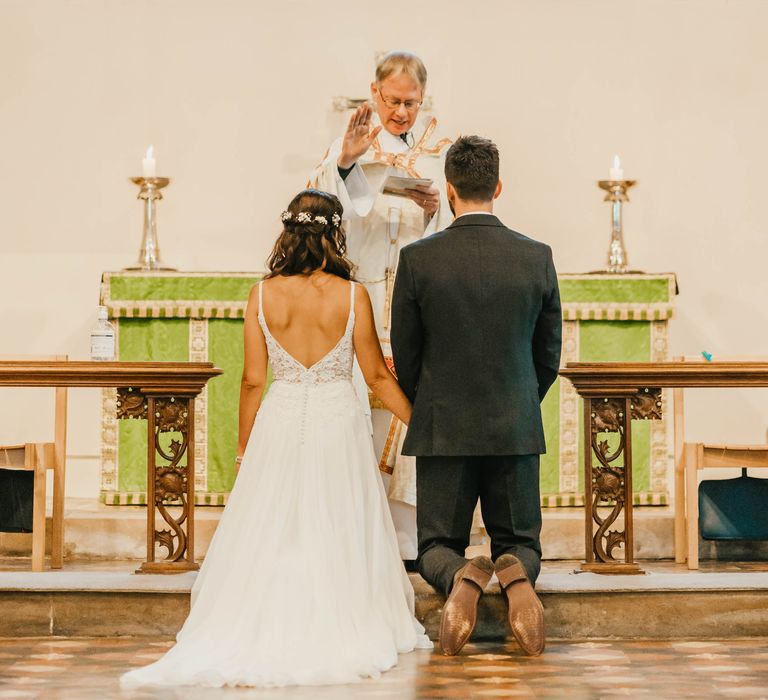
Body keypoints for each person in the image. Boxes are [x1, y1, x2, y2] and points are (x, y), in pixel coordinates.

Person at [121, 189, 430, 689]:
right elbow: (375, 376)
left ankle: (265, 618)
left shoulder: (262, 294)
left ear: (289, 232)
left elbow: (251, 380)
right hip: (336, 422)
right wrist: (419, 421)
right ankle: (340, 614)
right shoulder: (353, 295)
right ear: (335, 234)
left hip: (280, 419)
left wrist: (245, 448)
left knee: (277, 528)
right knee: (337, 521)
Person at [390, 136, 562, 657]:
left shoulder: (418, 259)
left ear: (449, 189)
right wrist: (520, 398)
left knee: (434, 547)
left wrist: (433, 400)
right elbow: (548, 353)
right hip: (514, 422)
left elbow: (407, 352)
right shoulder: (536, 257)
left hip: (443, 424)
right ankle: (513, 576)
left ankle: (462, 577)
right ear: (498, 187)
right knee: (522, 543)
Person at [309, 50, 453, 561]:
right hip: (363, 297)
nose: (401, 113)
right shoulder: (347, 146)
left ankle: (406, 541)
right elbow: (317, 206)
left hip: (414, 304)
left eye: (411, 103)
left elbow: (451, 227)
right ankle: (353, 535)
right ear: (375, 93)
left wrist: (437, 211)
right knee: (356, 414)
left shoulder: (437, 151)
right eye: (393, 101)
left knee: (407, 414)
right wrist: (347, 162)